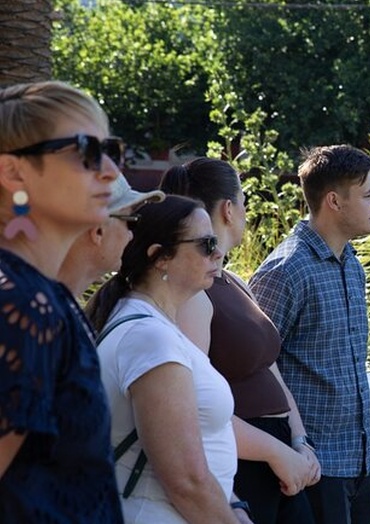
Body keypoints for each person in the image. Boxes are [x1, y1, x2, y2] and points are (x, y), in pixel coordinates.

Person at [160, 157, 319, 523]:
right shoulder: (194, 297)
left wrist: (298, 441)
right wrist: (276, 453)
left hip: (282, 460)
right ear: (229, 209)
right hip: (243, 464)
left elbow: (270, 369)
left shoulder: (234, 282)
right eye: (244, 201)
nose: (247, 211)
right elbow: (195, 405)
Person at [0, 80, 124, 522]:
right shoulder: (19, 302)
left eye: (112, 149)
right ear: (14, 173)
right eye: (85, 151)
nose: (109, 169)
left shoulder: (38, 294)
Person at [86, 195, 251, 523]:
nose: (219, 253)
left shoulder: (146, 323)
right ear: (160, 257)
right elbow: (186, 482)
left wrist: (232, 505)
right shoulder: (149, 338)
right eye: (205, 244)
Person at [249, 144, 370, 524]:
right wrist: (292, 448)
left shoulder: (352, 263)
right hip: (313, 471)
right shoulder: (285, 270)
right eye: (369, 195)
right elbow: (253, 368)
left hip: (362, 465)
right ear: (334, 202)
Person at [58, 174, 164, 297]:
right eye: (131, 222)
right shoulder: (43, 307)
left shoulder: (49, 301)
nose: (130, 235)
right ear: (98, 231)